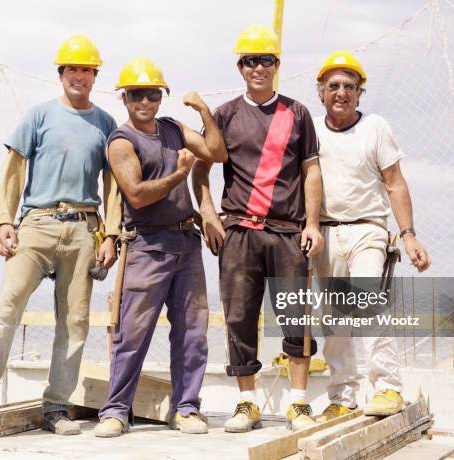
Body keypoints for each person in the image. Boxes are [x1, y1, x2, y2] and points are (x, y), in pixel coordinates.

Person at [0, 35, 121, 436]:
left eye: (86, 70)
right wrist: (3, 221)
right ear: (61, 74)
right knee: (8, 306)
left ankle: (56, 408)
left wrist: (111, 234)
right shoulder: (39, 115)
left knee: (75, 322)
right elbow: (13, 169)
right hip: (38, 224)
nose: (79, 76)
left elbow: (112, 184)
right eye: (72, 69)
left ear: (95, 76)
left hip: (84, 229)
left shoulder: (105, 124)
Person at [192, 24, 324, 432]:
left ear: (277, 65)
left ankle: (298, 403)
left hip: (288, 231)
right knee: (239, 316)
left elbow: (311, 170)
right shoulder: (225, 115)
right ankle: (246, 402)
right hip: (239, 232)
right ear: (241, 67)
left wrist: (314, 224)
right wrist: (209, 214)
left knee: (295, 316)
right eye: (251, 61)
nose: (259, 68)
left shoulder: (296, 113)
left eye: (266, 60)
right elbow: (200, 167)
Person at [94, 57, 227, 438]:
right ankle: (117, 411)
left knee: (192, 333)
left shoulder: (172, 128)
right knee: (132, 333)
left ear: (161, 96)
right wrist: (180, 175)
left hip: (186, 242)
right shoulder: (121, 141)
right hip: (147, 245)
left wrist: (204, 111)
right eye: (137, 94)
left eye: (153, 94)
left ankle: (186, 408)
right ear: (125, 98)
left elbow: (216, 153)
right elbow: (135, 195)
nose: (146, 101)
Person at [311, 51, 431, 422]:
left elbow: (395, 183)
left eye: (350, 86)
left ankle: (386, 387)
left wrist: (408, 234)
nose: (342, 93)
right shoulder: (312, 130)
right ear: (322, 93)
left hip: (368, 228)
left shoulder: (376, 127)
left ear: (360, 94)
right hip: (327, 232)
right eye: (334, 86)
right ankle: (343, 395)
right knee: (334, 318)